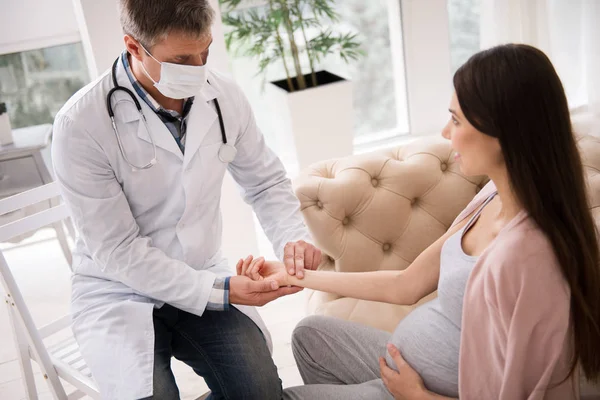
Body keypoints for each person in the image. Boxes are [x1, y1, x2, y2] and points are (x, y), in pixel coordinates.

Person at [238, 44, 600, 399]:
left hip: (428, 393)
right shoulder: (490, 196)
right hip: (408, 372)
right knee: (310, 335)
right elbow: (405, 284)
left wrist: (417, 396)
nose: (445, 133)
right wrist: (294, 277)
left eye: (456, 120)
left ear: (503, 133)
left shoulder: (531, 256)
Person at [51, 0, 321, 399]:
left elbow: (265, 183)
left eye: (205, 52)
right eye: (181, 59)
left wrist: (293, 239)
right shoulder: (81, 125)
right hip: (120, 291)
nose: (198, 68)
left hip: (202, 268)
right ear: (133, 46)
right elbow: (118, 249)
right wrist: (224, 291)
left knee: (261, 392)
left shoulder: (224, 96)